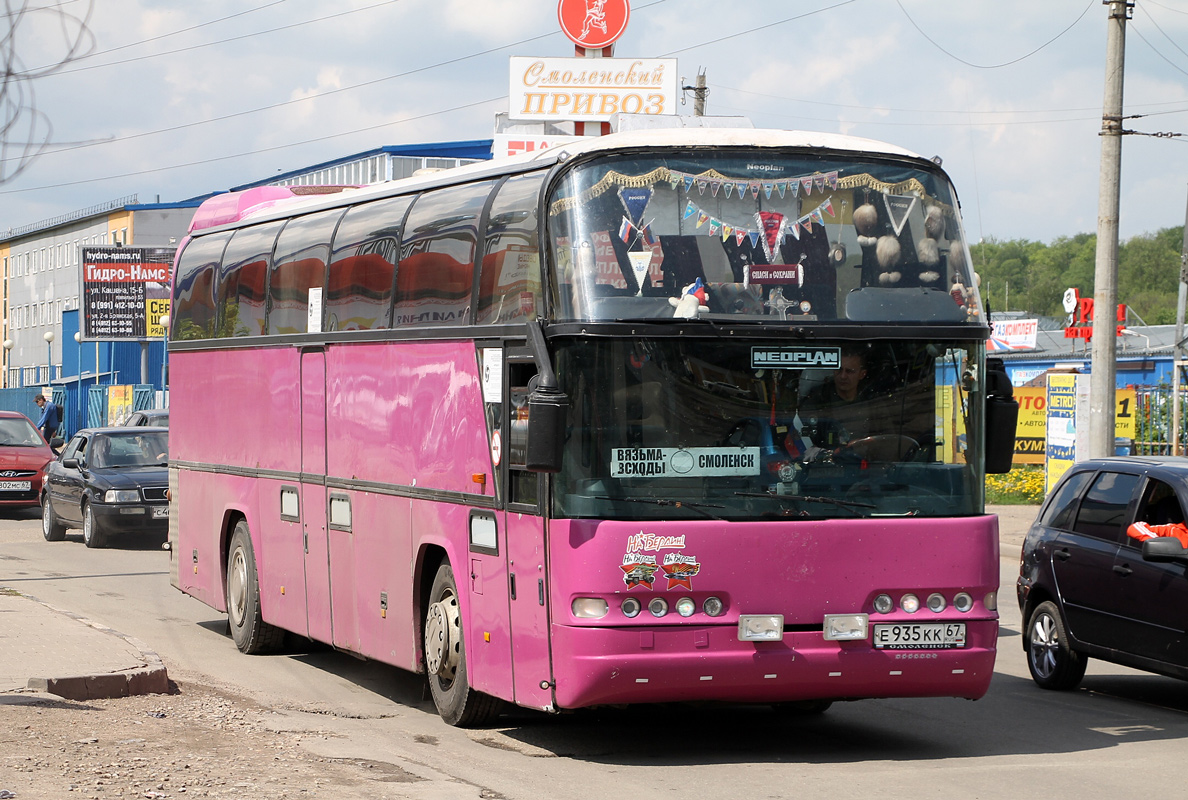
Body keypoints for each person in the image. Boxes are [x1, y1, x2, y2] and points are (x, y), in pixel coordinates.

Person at [798, 348, 870, 447]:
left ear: (862, 374)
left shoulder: (873, 402)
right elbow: (804, 444)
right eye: (839, 370)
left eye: (849, 371)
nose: (843, 376)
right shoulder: (817, 402)